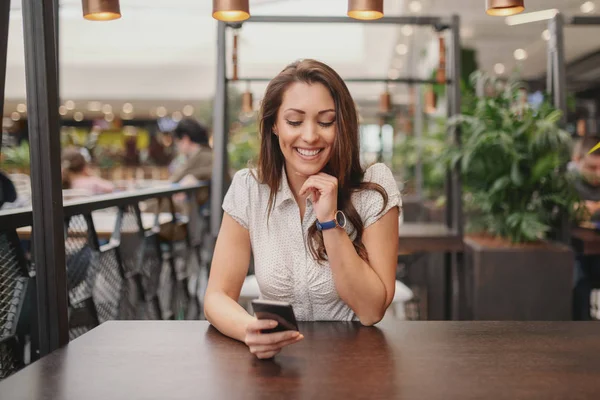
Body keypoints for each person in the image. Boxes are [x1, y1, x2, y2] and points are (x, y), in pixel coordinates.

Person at [204, 59, 401, 359]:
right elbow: (216, 296)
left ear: (342, 125)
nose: (310, 136)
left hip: (355, 365)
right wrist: (249, 330)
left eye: (325, 122)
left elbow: (371, 310)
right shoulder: (249, 188)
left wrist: (329, 222)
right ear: (273, 124)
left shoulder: (374, 186)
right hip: (278, 366)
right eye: (295, 121)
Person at [572, 136, 600, 320]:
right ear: (577, 160)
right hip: (575, 251)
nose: (599, 173)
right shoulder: (565, 183)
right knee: (578, 282)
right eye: (592, 167)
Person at [169, 118, 213, 206]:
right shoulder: (207, 154)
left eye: (177, 142)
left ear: (185, 139)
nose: (178, 146)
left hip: (199, 212)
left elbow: (174, 179)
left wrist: (195, 176)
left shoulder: (202, 156)